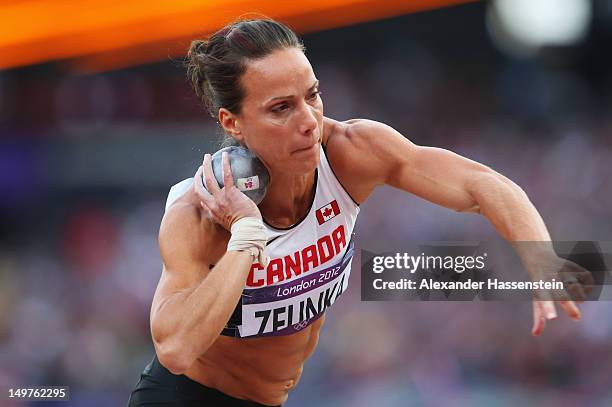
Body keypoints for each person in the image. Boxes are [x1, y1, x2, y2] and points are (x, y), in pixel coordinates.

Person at [128, 18, 590, 406]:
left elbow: (481, 183)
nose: (309, 121)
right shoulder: (199, 213)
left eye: (312, 95)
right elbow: (176, 350)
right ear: (232, 122)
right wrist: (247, 235)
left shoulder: (349, 152)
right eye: (281, 108)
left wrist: (539, 255)